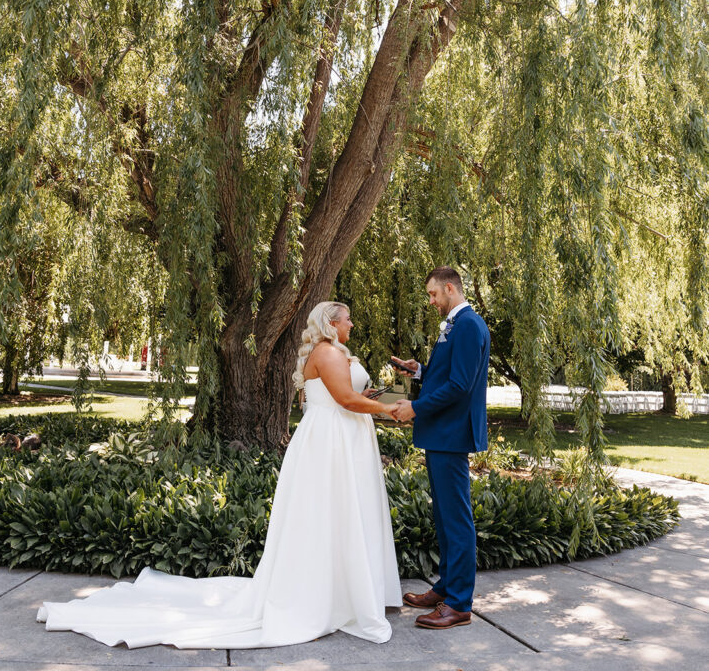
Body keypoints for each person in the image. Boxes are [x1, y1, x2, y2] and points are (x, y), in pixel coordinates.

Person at [37, 302, 403, 648]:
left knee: (338, 514)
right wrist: (391, 410)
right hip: (332, 441)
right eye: (348, 318)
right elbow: (344, 401)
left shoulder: (329, 353)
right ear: (331, 323)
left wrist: (366, 397)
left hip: (339, 436)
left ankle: (343, 588)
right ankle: (332, 594)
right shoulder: (327, 352)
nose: (353, 324)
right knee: (330, 512)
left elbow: (328, 397)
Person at [392, 267, 489, 631]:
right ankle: (446, 587)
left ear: (450, 288)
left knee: (457, 519)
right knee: (445, 518)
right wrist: (420, 372)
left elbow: (461, 386)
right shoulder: (456, 324)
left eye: (434, 294)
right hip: (441, 435)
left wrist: (415, 407)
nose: (431, 301)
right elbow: (448, 375)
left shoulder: (466, 325)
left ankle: (459, 604)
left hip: (450, 434)